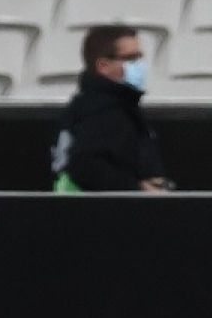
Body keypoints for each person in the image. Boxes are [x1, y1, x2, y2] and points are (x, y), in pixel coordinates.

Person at [51, 26, 172, 193]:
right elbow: (85, 166)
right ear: (103, 65)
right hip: (100, 215)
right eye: (131, 58)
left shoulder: (87, 105)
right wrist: (138, 188)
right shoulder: (104, 111)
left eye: (140, 57)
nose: (139, 64)